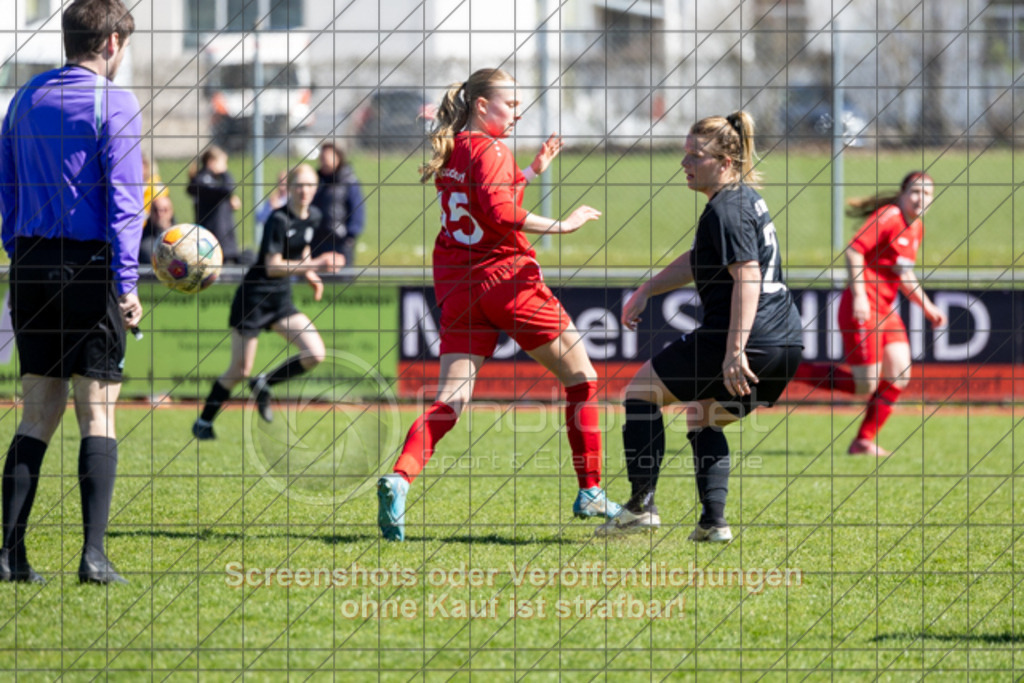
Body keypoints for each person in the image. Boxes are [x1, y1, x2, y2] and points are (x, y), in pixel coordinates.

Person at [376, 67, 620, 542]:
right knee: (584, 379)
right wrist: (564, 225)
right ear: (482, 105)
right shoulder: (490, 149)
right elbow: (500, 212)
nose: (518, 112)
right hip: (506, 280)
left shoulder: (454, 149)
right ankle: (590, 489)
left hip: (459, 287)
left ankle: (400, 477)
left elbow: (484, 202)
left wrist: (529, 172)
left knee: (451, 399)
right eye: (510, 104)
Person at [595, 111, 803, 543]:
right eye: (685, 153)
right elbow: (698, 260)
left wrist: (734, 351)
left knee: (640, 394)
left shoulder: (725, 209)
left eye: (697, 155)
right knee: (705, 416)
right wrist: (648, 290)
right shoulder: (741, 199)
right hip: (785, 341)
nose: (686, 163)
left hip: (747, 335)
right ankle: (713, 524)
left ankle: (640, 507)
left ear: (726, 161)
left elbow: (746, 276)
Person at [0, 0, 142, 584]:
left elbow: (6, 188)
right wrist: (127, 284)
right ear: (110, 42)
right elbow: (125, 203)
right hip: (88, 267)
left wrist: (21, 254)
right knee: (97, 412)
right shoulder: (116, 102)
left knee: (36, 413)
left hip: (30, 263)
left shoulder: (25, 99)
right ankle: (93, 557)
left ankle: (8, 556)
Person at [795, 172, 947, 456]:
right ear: (902, 194)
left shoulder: (916, 228)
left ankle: (863, 441)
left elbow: (904, 274)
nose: (920, 198)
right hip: (862, 307)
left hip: (885, 311)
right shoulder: (889, 215)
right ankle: (789, 369)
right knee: (865, 384)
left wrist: (928, 307)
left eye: (926, 194)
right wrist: (861, 297)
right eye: (915, 191)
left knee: (899, 374)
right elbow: (853, 251)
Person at [192, 164, 344, 440]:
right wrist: (317, 264)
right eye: (300, 185)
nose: (305, 191)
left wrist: (311, 274)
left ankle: (264, 383)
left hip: (280, 300)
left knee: (315, 353)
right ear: (290, 187)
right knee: (239, 369)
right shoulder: (278, 219)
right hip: (253, 298)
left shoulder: (314, 216)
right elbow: (273, 266)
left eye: (310, 185)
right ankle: (204, 421)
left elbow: (302, 249)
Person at [187, 145, 250, 264]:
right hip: (213, 238)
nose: (225, 167)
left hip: (224, 239)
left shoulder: (214, 181)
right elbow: (226, 189)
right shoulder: (202, 179)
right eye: (223, 163)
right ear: (212, 162)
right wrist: (226, 174)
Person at [311, 141, 365, 265]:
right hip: (316, 240)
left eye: (327, 157)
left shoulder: (349, 181)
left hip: (340, 241)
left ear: (338, 157)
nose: (324, 161)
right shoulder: (316, 180)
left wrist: (350, 236)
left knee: (341, 281)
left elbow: (357, 210)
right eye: (322, 157)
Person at [139, 194, 176, 264]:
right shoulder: (141, 242)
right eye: (156, 210)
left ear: (171, 211)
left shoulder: (181, 236)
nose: (160, 214)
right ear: (150, 213)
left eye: (164, 210)